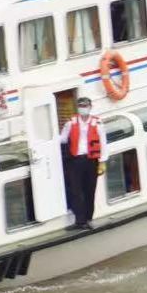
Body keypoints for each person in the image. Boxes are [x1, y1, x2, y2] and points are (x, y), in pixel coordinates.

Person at [57, 96, 105, 230]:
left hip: (92, 160)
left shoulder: (98, 123)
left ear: (90, 107)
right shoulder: (70, 123)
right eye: (81, 106)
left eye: (85, 106)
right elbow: (63, 139)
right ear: (77, 108)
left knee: (89, 190)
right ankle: (79, 221)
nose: (83, 108)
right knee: (75, 190)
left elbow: (103, 142)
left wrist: (102, 161)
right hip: (76, 160)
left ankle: (89, 218)